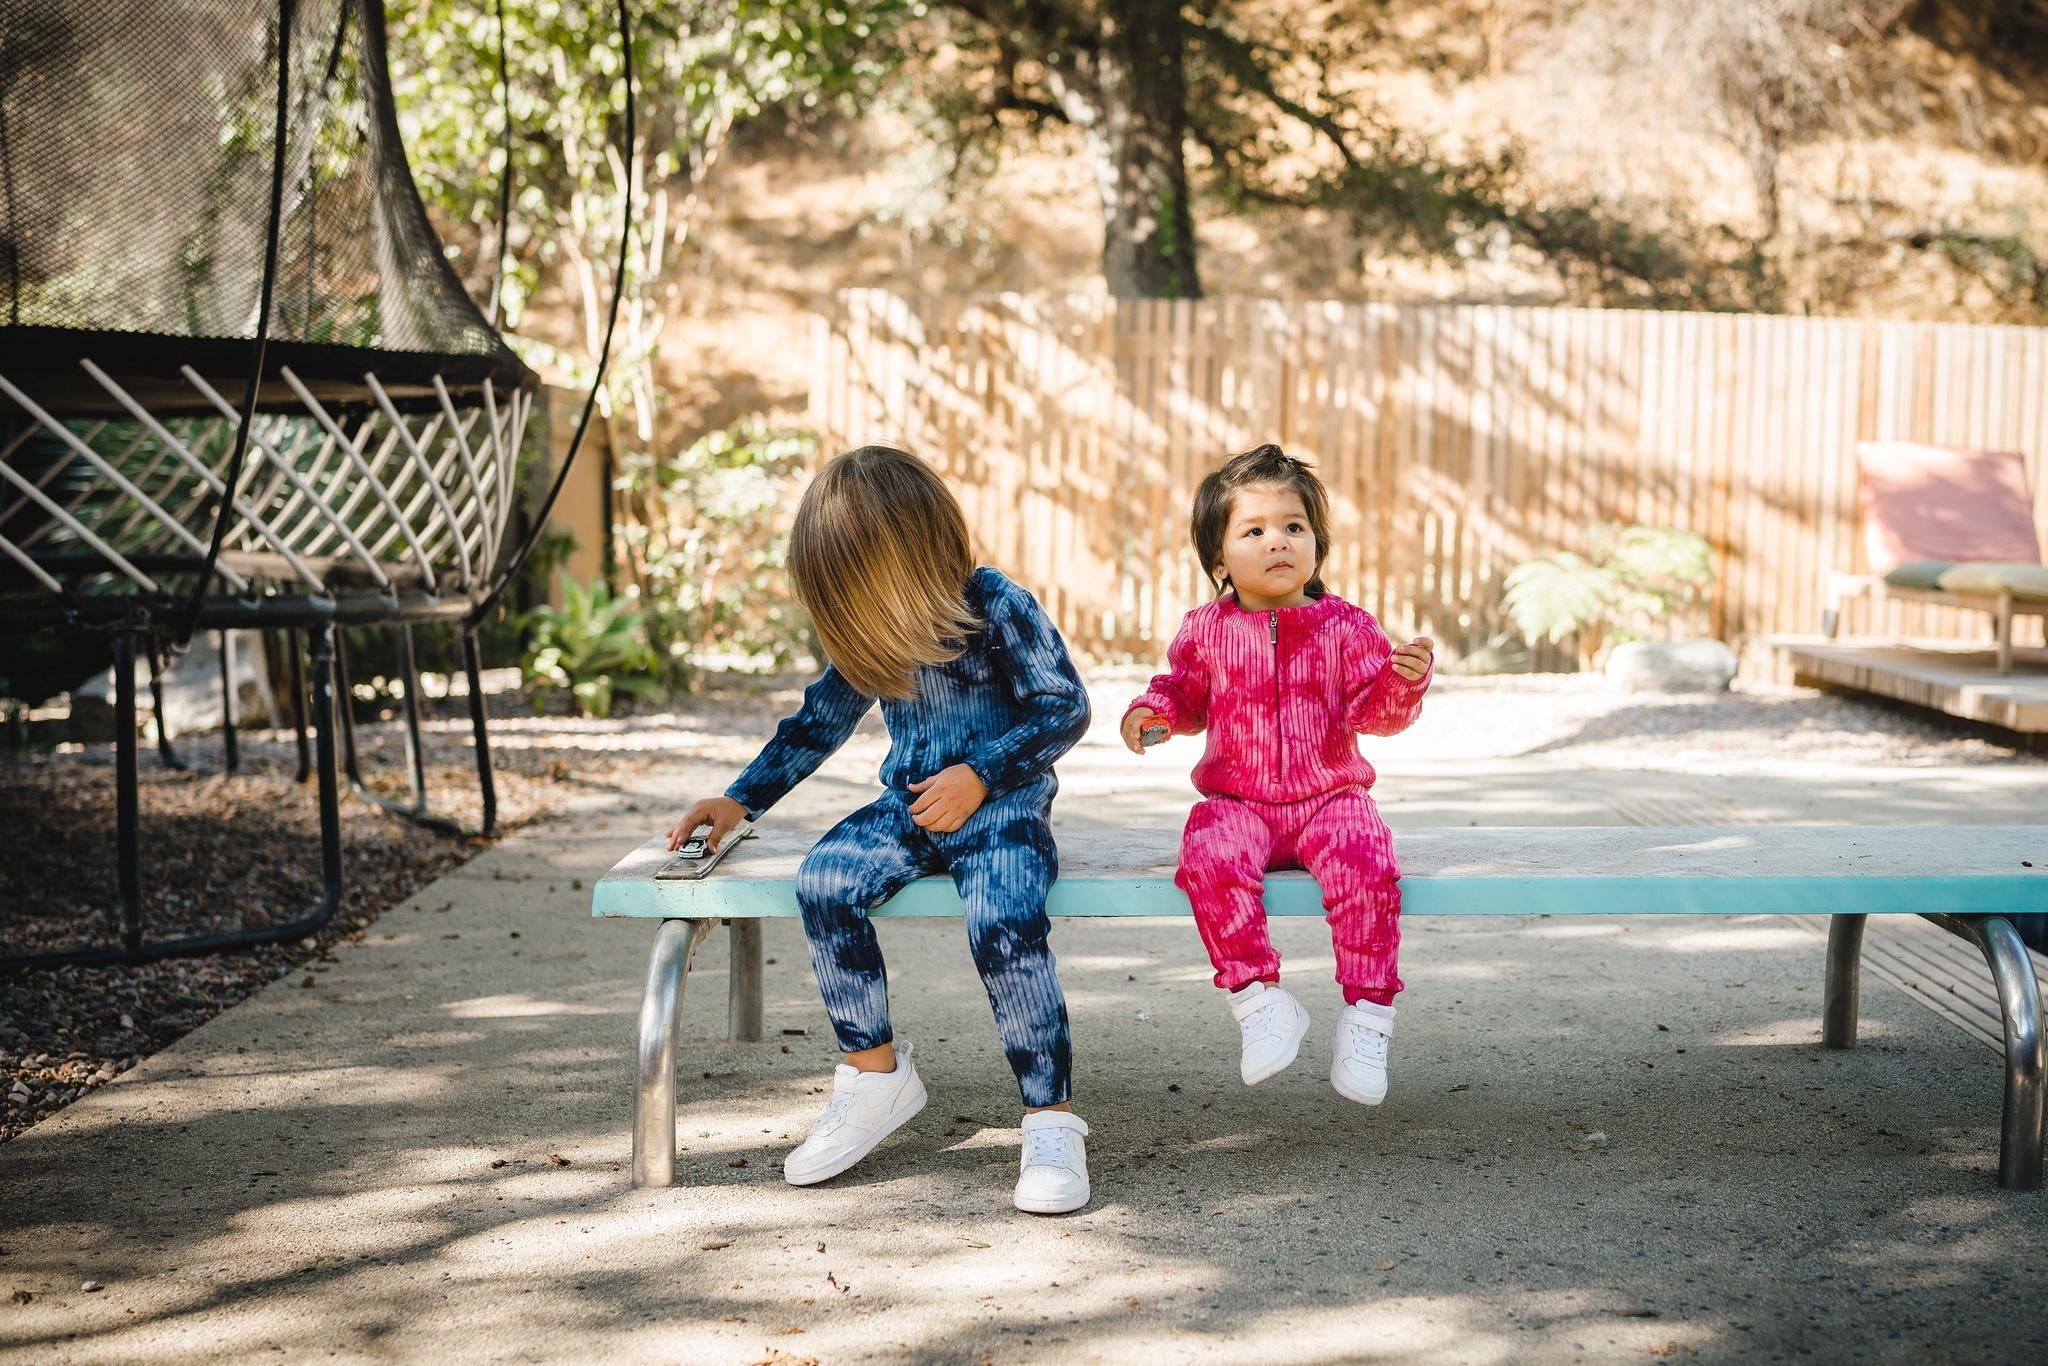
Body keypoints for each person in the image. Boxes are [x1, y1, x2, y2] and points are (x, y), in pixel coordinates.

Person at [668, 444, 1095, 1213]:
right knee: (825, 880)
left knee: (1002, 922)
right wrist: (742, 800)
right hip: (913, 805)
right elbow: (818, 723)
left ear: (907, 554)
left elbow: (1064, 707)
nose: (852, 613)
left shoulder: (997, 606)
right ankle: (875, 1078)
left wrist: (984, 774)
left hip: (1002, 806)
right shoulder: (875, 630)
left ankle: (1051, 1119)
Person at [1121, 444, 1434, 1105]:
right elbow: (1182, 691)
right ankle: (1258, 1000)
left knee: (1367, 865)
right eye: (1254, 530)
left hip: (1331, 797)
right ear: (1218, 559)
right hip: (1237, 800)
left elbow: (1375, 713)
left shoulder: (1346, 626)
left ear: (1317, 542)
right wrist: (1154, 712)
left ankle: (1368, 1016)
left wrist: (1402, 686)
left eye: (1294, 526)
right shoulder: (1206, 630)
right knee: (1207, 856)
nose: (1278, 542)